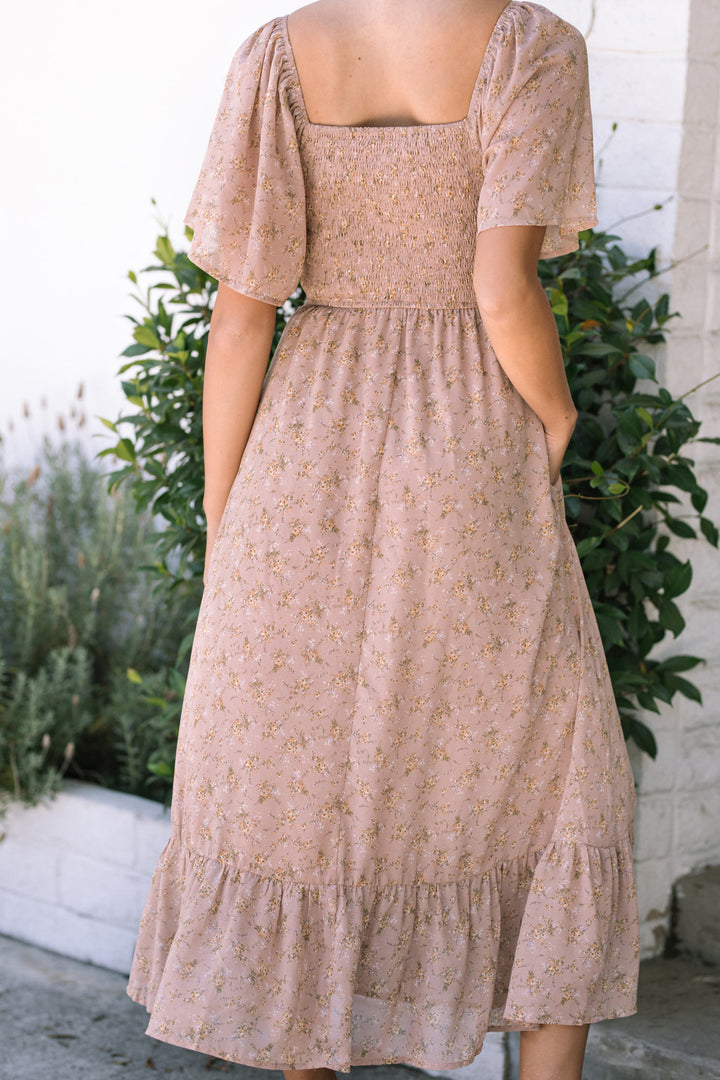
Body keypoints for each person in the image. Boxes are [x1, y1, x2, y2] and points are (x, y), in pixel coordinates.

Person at [126, 2, 640, 1079]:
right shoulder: (533, 47)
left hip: (304, 444)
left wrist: (229, 515)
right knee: (557, 774)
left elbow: (242, 313)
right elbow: (501, 290)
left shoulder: (280, 55)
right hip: (469, 437)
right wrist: (556, 414)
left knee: (309, 793)